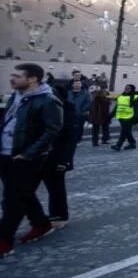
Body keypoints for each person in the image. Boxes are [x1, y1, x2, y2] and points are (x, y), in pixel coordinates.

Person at [0, 63, 63, 255]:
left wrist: (28, 153)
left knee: (12, 199)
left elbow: (52, 130)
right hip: (6, 153)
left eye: (17, 76)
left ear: (32, 78)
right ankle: (41, 224)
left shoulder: (47, 100)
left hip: (26, 157)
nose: (12, 78)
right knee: (23, 193)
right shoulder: (16, 97)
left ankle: (4, 240)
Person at [42, 85, 79, 226]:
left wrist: (65, 160)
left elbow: (70, 139)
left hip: (55, 156)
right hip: (38, 155)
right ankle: (41, 218)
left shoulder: (66, 110)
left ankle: (59, 215)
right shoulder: (44, 108)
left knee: (56, 187)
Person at [111, 84, 138, 151]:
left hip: (129, 117)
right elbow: (117, 107)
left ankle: (118, 145)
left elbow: (137, 109)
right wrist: (111, 115)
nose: (126, 89)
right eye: (125, 88)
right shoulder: (120, 96)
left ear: (132, 90)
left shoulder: (135, 97)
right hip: (121, 117)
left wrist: (136, 117)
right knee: (127, 131)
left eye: (128, 88)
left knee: (124, 131)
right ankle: (132, 143)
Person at [66, 79, 90, 145]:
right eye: (75, 84)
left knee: (79, 127)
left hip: (80, 114)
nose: (77, 85)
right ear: (72, 85)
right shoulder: (68, 93)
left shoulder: (85, 93)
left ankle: (78, 139)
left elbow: (88, 102)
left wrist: (83, 109)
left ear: (81, 85)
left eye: (79, 84)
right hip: (70, 114)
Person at [90, 81, 112, 145]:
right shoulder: (96, 94)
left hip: (103, 113)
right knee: (97, 128)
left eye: (105, 88)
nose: (104, 89)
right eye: (103, 88)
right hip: (98, 114)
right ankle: (96, 141)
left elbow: (108, 103)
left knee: (103, 128)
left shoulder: (105, 93)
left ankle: (101, 140)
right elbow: (106, 102)